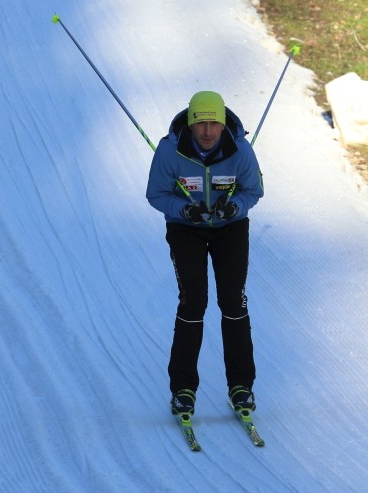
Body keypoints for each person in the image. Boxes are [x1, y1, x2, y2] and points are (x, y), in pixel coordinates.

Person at [146, 91, 264, 419]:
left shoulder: (240, 151)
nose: (208, 132)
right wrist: (184, 209)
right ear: (191, 124)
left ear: (224, 124)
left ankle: (241, 386)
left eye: (214, 123)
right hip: (187, 230)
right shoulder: (170, 151)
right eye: (201, 124)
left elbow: (253, 190)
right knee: (193, 302)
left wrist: (234, 206)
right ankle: (183, 389)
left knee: (233, 302)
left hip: (230, 228)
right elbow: (155, 193)